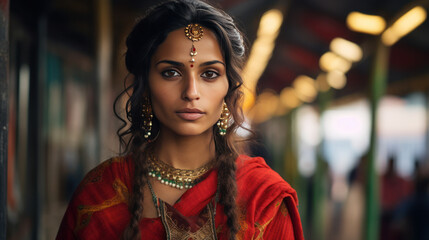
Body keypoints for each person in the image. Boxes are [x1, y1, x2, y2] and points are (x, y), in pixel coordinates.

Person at [56, 0, 304, 239]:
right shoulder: (99, 194)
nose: (191, 92)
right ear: (144, 85)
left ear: (228, 88)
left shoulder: (263, 199)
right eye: (171, 72)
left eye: (209, 74)